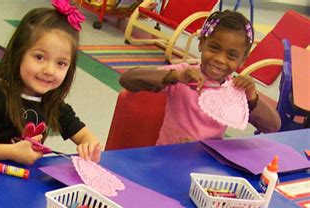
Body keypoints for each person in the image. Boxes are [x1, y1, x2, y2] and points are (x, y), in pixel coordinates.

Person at [0, 0, 101, 165]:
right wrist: (11, 152)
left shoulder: (52, 102)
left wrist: (89, 146)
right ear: (18, 53)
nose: (49, 70)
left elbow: (85, 136)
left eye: (61, 63)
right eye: (39, 57)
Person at [119, 10, 281, 146]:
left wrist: (252, 98)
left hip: (207, 165)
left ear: (242, 60)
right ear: (202, 43)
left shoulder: (236, 90)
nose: (220, 59)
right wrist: (175, 76)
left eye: (231, 56)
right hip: (168, 159)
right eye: (214, 48)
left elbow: (273, 126)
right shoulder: (184, 74)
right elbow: (127, 79)